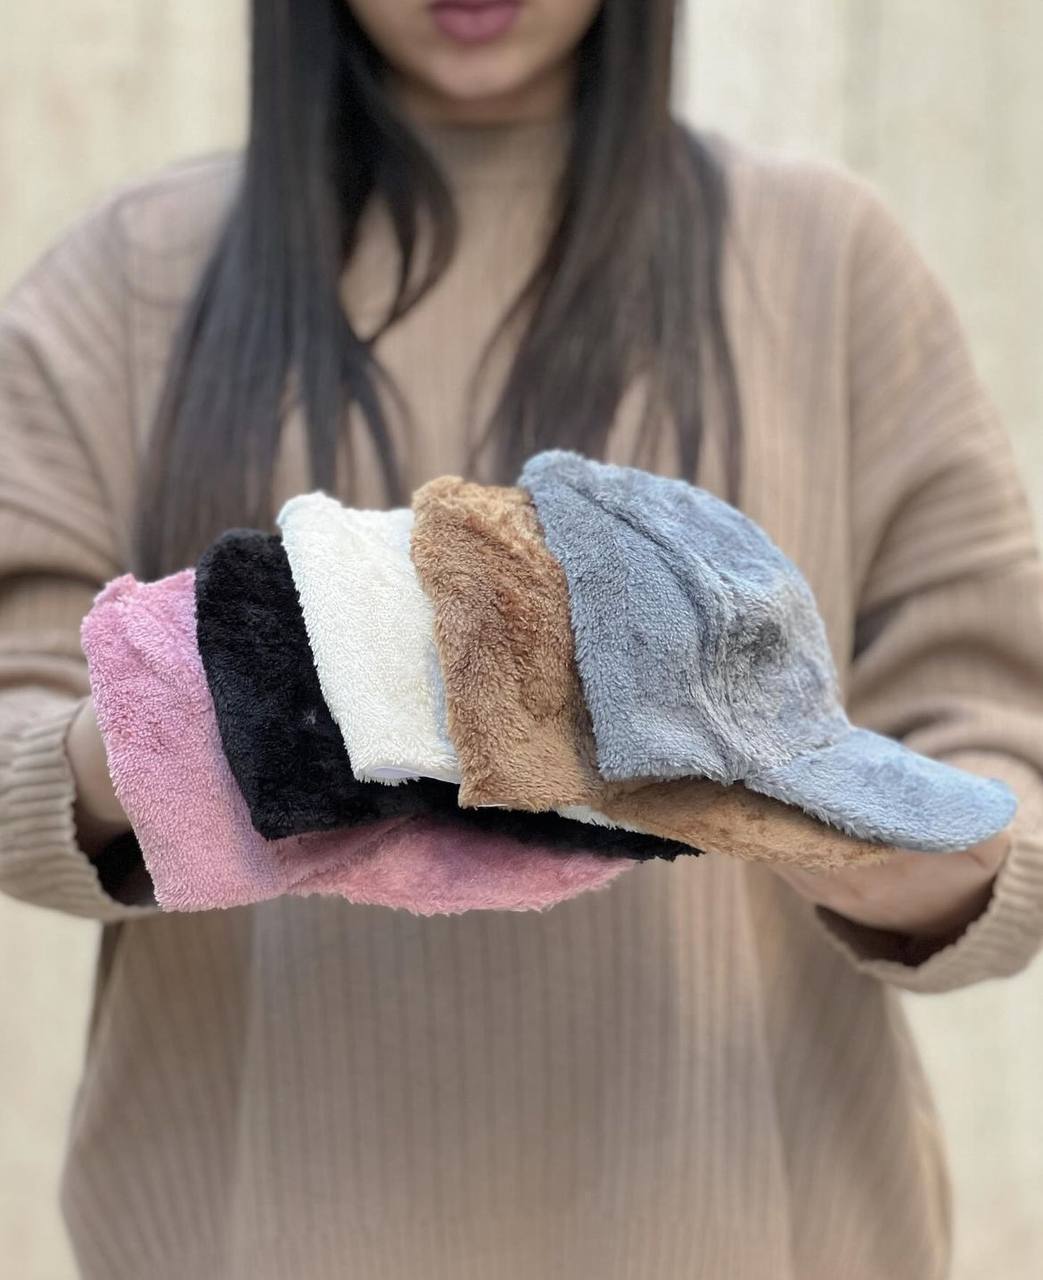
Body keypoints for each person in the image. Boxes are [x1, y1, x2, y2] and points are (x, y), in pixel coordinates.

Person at [1, 1, 1041, 1277]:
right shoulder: (133, 272)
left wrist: (856, 833)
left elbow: (998, 739)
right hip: (262, 1224)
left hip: (742, 1226)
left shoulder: (824, 261)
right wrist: (208, 701)